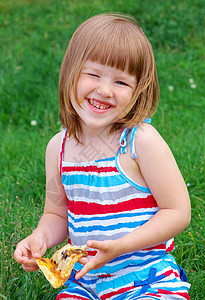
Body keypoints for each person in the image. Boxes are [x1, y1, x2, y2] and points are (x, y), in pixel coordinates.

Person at [14, 13, 191, 300]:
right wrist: (40, 238)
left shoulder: (139, 142)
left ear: (138, 90)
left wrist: (121, 245)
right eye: (93, 74)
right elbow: (56, 213)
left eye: (121, 83)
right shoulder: (57, 147)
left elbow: (178, 212)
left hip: (146, 277)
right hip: (86, 281)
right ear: (71, 72)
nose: (104, 90)